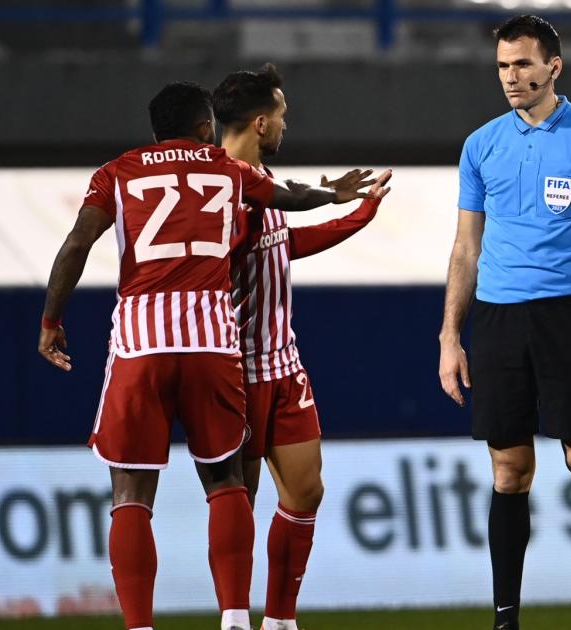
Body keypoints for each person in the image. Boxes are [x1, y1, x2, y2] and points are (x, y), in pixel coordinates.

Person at [37, 82, 377, 630]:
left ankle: (140, 625)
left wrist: (51, 321)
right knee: (226, 482)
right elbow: (287, 199)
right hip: (213, 340)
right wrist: (334, 195)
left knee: (130, 493)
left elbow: (77, 243)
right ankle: (236, 618)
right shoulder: (226, 169)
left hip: (142, 340)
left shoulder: (117, 171)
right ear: (204, 128)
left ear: (155, 132)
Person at [437, 14, 571, 630]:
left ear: (554, 66)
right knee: (508, 472)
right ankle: (506, 620)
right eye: (503, 65)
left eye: (522, 63)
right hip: (498, 321)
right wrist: (450, 336)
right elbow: (466, 248)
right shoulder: (481, 144)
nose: (510, 76)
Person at [212, 63, 392, 630]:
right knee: (238, 500)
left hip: (283, 366)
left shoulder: (263, 183)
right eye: (283, 115)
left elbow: (284, 243)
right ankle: (234, 618)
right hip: (235, 370)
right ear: (261, 123)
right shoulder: (216, 187)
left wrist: (358, 216)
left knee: (305, 491)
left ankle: (280, 621)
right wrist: (331, 196)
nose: (288, 124)